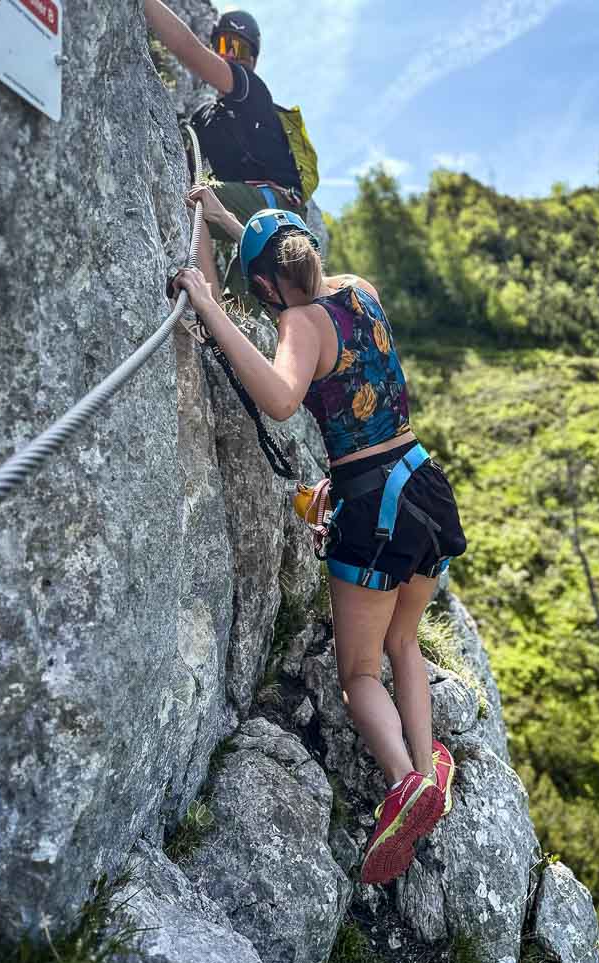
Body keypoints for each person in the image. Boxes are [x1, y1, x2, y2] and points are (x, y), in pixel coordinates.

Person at [172, 187, 467, 885]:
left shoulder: (300, 323)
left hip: (374, 511)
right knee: (403, 642)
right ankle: (428, 768)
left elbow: (279, 400)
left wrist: (209, 304)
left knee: (360, 672)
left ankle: (403, 784)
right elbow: (289, 263)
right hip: (424, 482)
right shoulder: (356, 291)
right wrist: (225, 222)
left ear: (269, 286)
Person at [144, 2, 308, 301]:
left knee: (196, 203)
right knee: (248, 306)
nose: (231, 54)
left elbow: (190, 52)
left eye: (240, 49)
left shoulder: (250, 88)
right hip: (256, 212)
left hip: (279, 205)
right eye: (224, 44)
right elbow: (190, 165)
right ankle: (225, 320)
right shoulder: (206, 117)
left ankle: (210, 309)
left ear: (252, 62)